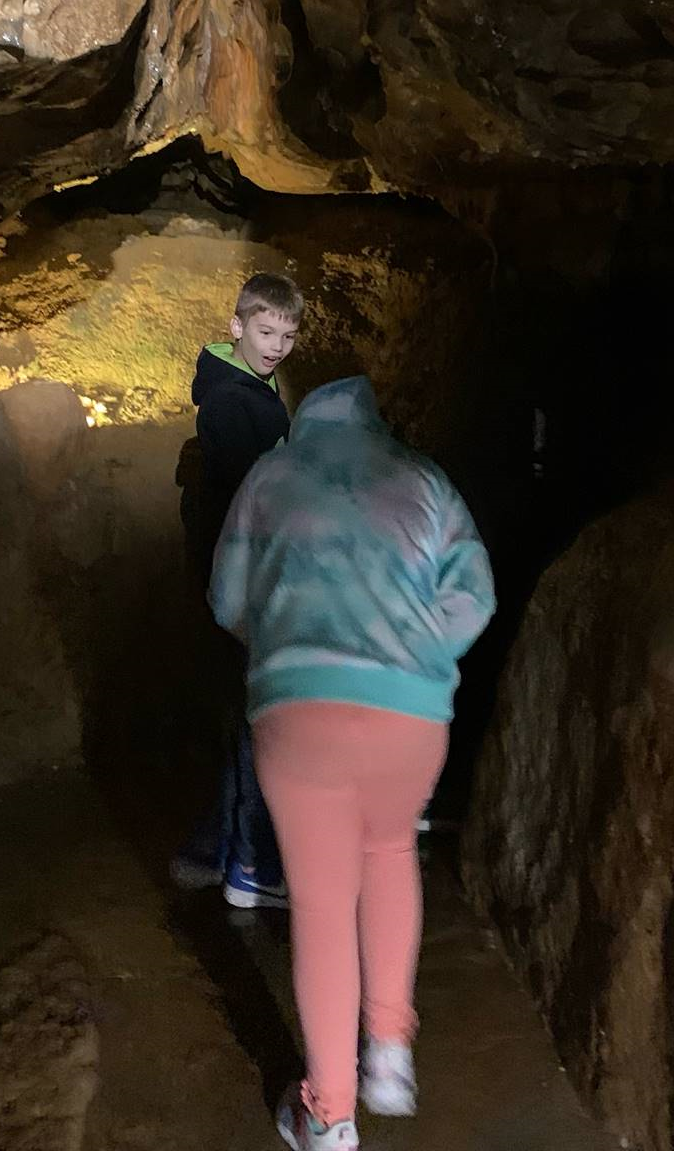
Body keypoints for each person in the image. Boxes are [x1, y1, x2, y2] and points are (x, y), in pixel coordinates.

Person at [210, 377, 495, 1151]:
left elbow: (227, 599)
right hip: (412, 713)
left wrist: (292, 645)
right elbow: (475, 595)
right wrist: (415, 657)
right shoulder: (423, 478)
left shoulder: (271, 475)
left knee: (324, 906)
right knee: (393, 849)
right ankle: (392, 1054)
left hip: (302, 709)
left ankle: (330, 1116)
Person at [172, 272, 304, 909]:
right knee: (261, 720)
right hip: (245, 576)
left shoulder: (250, 384)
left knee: (244, 715)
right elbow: (253, 495)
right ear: (237, 327)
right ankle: (253, 863)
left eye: (287, 334)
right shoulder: (232, 400)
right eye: (265, 331)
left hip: (241, 570)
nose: (277, 344)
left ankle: (211, 850)